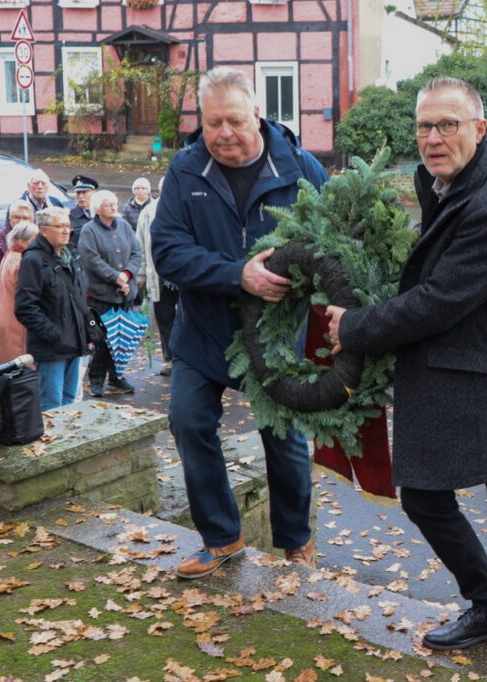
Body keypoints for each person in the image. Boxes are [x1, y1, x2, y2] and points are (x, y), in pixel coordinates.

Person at [326, 77, 487, 650]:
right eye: (424, 127)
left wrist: (352, 326)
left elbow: (438, 301)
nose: (433, 138)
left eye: (448, 125)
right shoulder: (455, 183)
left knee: (427, 496)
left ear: (479, 130)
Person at [151, 67, 329, 578]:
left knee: (284, 439)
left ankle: (295, 542)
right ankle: (221, 537)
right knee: (188, 421)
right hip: (204, 331)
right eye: (213, 123)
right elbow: (167, 251)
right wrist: (238, 275)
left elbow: (333, 244)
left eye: (234, 121)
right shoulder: (186, 171)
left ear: (257, 113)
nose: (224, 133)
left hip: (276, 335)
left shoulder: (300, 167)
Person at [15, 207, 93, 410]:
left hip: (74, 343)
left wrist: (85, 333)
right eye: (60, 226)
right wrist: (54, 334)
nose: (66, 231)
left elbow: (79, 298)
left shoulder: (72, 254)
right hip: (51, 348)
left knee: (70, 401)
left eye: (68, 226)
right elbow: (25, 307)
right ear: (43, 230)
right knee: (51, 405)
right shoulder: (33, 260)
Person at [78, 189, 142, 397]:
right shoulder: (89, 230)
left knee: (123, 338)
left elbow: (136, 252)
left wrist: (126, 274)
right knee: (103, 341)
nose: (113, 207)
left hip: (126, 293)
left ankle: (117, 377)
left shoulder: (124, 226)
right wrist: (116, 277)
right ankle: (96, 380)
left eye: (114, 203)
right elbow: (91, 260)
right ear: (97, 208)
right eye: (107, 204)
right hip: (101, 295)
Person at [136, 176, 178, 377]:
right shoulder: (148, 212)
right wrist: (141, 274)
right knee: (165, 318)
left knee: (189, 319)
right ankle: (170, 360)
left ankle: (188, 360)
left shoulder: (184, 207)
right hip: (159, 276)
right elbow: (140, 245)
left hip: (183, 275)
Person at [0, 220, 39, 363]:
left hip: (8, 316)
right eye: (34, 239)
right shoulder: (22, 260)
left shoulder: (9, 254)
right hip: (18, 321)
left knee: (8, 354)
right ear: (21, 241)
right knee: (20, 358)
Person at [0, 200, 35, 306]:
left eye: (25, 218)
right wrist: (1, 299)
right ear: (10, 219)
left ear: (32, 219)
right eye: (16, 217)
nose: (21, 222)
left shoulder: (37, 238)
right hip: (7, 299)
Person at [69, 175, 99, 247]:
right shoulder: (69, 216)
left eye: (84, 192)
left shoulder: (102, 214)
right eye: (78, 193)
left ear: (94, 193)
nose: (81, 196)